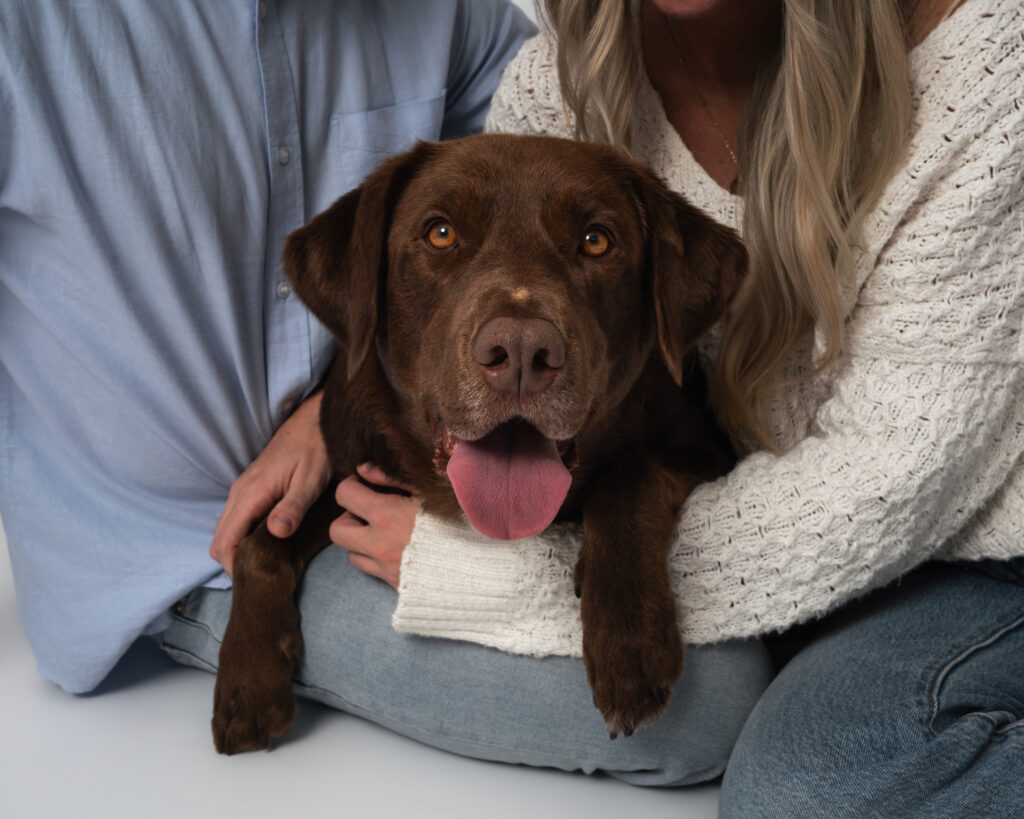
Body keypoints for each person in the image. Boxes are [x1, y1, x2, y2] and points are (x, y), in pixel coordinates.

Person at [220, 0, 1021, 813]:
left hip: (981, 561)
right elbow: (465, 293)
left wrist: (483, 578)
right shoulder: (566, 84)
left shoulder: (991, 65)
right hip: (815, 565)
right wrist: (325, 409)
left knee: (807, 789)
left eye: (595, 243)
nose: (519, 348)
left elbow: (893, 481)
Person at [0, 0, 769, 788]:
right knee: (710, 702)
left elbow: (524, 171)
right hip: (170, 552)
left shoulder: (452, 14)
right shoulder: (29, 28)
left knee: (721, 661)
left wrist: (326, 409)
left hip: (379, 446)